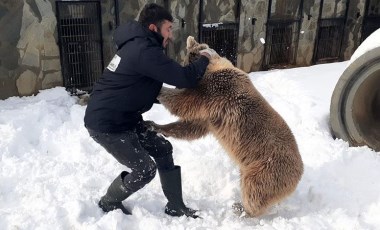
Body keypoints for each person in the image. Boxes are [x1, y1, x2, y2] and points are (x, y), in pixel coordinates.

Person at [84, 3, 216, 218]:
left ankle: (175, 205)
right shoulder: (143, 51)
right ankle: (108, 202)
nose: (171, 36)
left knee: (163, 149)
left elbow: (144, 85)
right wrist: (206, 57)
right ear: (154, 28)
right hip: (106, 125)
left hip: (126, 118)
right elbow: (185, 78)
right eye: (168, 29)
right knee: (144, 169)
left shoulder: (141, 47)